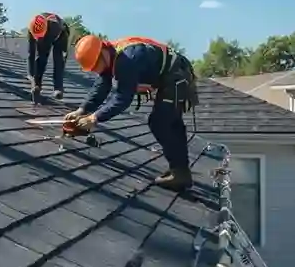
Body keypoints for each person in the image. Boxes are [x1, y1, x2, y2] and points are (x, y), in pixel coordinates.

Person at [66, 34, 199, 191]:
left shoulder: (127, 59)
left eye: (95, 66)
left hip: (177, 76)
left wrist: (95, 118)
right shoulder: (111, 56)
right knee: (170, 123)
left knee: (161, 122)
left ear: (102, 54)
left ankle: (180, 173)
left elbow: (123, 98)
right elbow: (102, 85)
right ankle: (181, 172)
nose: (96, 71)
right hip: (175, 74)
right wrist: (82, 110)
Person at [26, 13, 70, 100]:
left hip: (61, 35)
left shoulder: (54, 27)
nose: (39, 40)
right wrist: (31, 77)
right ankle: (37, 85)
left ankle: (58, 88)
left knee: (58, 60)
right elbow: (31, 54)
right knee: (40, 59)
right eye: (37, 38)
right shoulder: (30, 30)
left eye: (40, 37)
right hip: (48, 33)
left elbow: (45, 54)